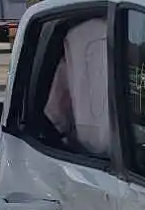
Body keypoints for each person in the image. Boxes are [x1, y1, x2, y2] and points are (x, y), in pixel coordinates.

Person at [43, 18, 110, 155]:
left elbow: (56, 112)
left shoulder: (75, 36)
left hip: (86, 156)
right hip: (134, 155)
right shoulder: (131, 25)